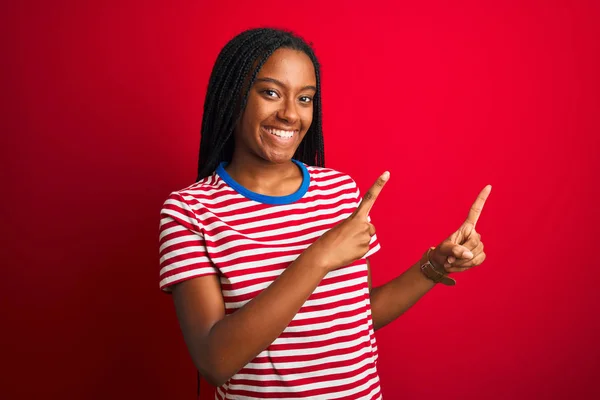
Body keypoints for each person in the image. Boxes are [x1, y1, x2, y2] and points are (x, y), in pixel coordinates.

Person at [158, 27, 491, 400]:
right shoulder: (189, 212)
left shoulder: (339, 191)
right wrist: (318, 257)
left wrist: (434, 266)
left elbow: (354, 318)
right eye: (270, 92)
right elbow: (215, 360)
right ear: (233, 95)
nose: (289, 114)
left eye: (305, 98)